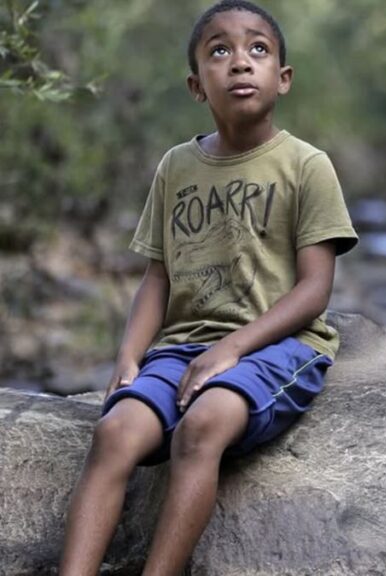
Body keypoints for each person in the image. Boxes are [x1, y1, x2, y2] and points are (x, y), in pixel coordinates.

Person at [59, 1, 358, 573]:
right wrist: (129, 356)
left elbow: (314, 291)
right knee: (115, 433)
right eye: (220, 51)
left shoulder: (306, 165)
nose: (240, 62)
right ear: (197, 86)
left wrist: (231, 349)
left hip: (278, 348)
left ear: (283, 78)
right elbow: (158, 276)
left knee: (202, 425)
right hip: (180, 350)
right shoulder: (176, 166)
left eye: (257, 49)